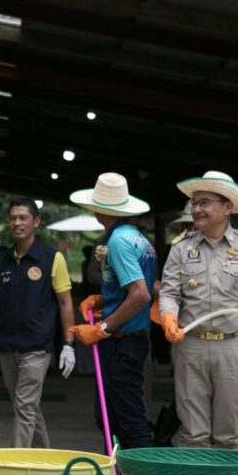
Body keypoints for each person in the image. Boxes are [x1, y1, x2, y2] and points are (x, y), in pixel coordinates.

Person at [159, 170, 238, 449]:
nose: (196, 209)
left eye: (204, 202)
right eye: (194, 203)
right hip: (190, 345)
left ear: (227, 207)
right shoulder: (180, 248)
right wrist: (169, 317)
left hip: (234, 346)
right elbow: (169, 293)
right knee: (193, 434)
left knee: (228, 434)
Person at [0, 198, 76, 448]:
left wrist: (69, 344)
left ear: (36, 222)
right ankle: (44, 458)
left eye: (23, 218)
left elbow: (65, 303)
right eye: (13, 218)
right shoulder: (2, 259)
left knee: (25, 405)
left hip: (37, 346)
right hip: (7, 344)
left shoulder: (52, 258)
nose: (17, 223)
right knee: (26, 406)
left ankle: (15, 462)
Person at [68, 173, 157, 449]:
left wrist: (101, 329)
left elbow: (140, 294)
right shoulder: (136, 237)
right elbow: (146, 287)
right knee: (116, 415)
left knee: (125, 419)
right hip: (130, 338)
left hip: (121, 341)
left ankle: (138, 473)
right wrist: (103, 299)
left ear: (99, 208)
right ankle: (123, 471)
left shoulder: (118, 241)